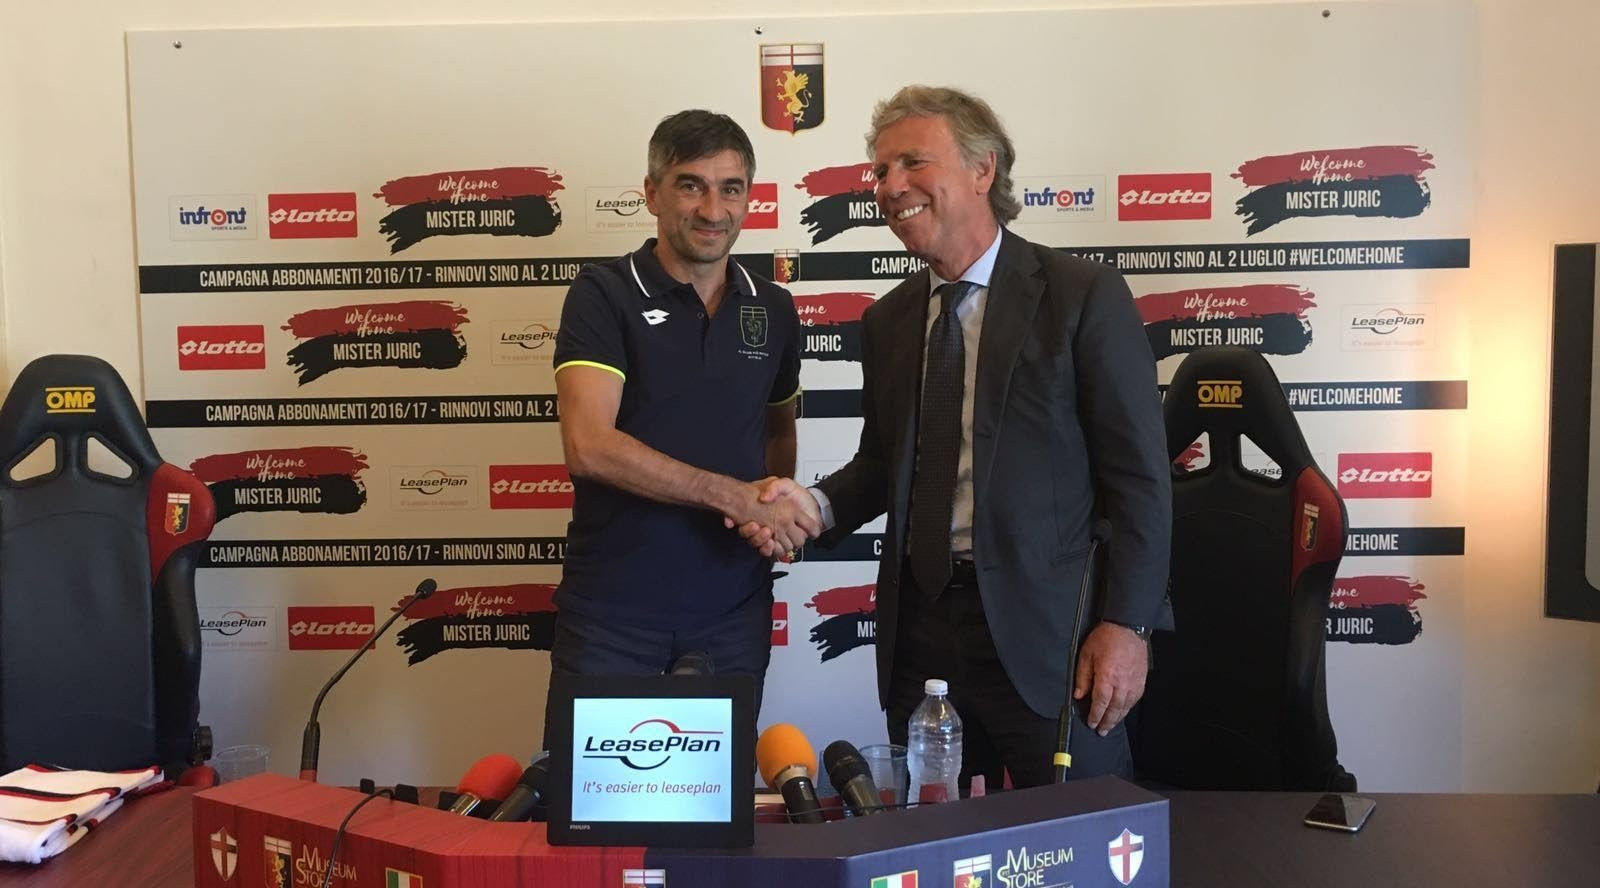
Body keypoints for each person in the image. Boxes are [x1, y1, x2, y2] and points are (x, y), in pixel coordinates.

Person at [741, 86, 1171, 788]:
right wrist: (807, 507)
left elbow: (1141, 482)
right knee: (936, 835)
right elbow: (883, 466)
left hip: (1052, 641)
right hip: (923, 638)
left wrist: (1129, 626)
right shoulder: (887, 321)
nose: (890, 186)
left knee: (1077, 833)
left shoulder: (1081, 296)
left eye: (913, 162)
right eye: (881, 171)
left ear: (982, 169)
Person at [546, 109, 816, 726]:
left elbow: (778, 429)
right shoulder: (602, 293)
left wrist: (771, 511)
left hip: (734, 614)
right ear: (652, 193)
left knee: (720, 788)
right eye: (691, 185)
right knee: (593, 790)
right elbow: (588, 445)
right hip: (613, 614)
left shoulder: (774, 307)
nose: (713, 210)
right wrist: (734, 497)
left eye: (731, 188)